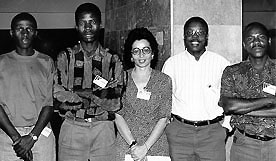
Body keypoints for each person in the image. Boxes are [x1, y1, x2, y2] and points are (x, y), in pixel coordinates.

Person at [54, 3, 124, 161]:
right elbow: (59, 99)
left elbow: (115, 102)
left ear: (100, 25)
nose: (87, 27)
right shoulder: (65, 58)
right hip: (72, 127)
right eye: (82, 22)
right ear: (76, 26)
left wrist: (78, 93)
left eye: (92, 21)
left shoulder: (112, 59)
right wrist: (100, 95)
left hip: (103, 129)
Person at [162, 16, 231, 161]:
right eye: (190, 33)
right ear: (184, 36)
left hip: (212, 134)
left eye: (199, 33)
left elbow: (231, 99)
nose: (195, 37)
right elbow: (163, 100)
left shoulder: (221, 64)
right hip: (180, 134)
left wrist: (225, 127)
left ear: (206, 37)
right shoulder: (171, 64)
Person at [0, 12, 56, 161]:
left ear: (35, 33)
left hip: (41, 133)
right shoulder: (1, 62)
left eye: (29, 28)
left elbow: (49, 104)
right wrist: (17, 138)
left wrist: (32, 137)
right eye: (20, 28)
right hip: (7, 135)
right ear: (12, 33)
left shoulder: (46, 61)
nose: (25, 32)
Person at [219, 22, 276, 161]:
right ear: (244, 45)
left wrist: (242, 109)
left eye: (261, 37)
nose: (256, 42)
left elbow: (234, 108)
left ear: (268, 41)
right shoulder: (232, 72)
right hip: (245, 146)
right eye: (250, 39)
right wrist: (268, 101)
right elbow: (228, 106)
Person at [115, 27, 172, 161]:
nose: (141, 55)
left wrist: (145, 147)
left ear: (152, 54)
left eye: (146, 50)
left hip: (156, 147)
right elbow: (118, 115)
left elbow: (164, 118)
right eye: (136, 51)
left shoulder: (164, 80)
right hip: (126, 146)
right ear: (131, 55)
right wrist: (134, 145)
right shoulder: (121, 79)